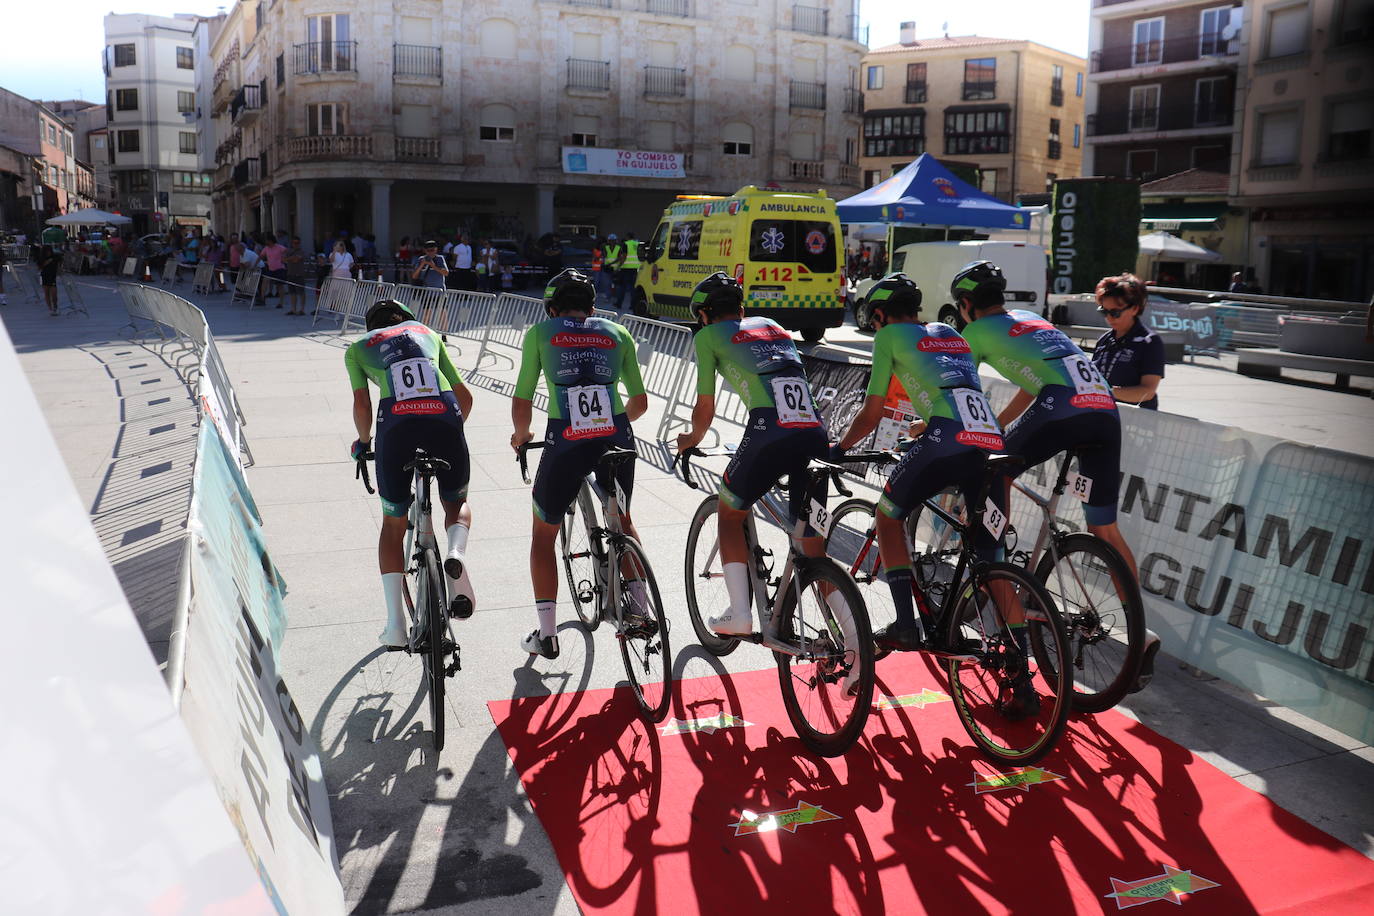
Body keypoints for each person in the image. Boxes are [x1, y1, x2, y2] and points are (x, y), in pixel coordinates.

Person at [673, 273, 863, 691]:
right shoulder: (774, 327)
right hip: (814, 432)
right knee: (812, 546)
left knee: (729, 510)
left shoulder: (707, 337)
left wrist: (690, 440)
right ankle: (856, 649)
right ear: (740, 309)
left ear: (704, 315)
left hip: (768, 431)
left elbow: (705, 407)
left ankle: (739, 612)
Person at [829, 274, 1006, 654]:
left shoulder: (888, 337)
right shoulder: (950, 332)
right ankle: (1018, 657)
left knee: (888, 515)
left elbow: (872, 412)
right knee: (989, 551)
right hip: (985, 439)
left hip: (946, 438)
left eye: (873, 319)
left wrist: (840, 446)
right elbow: (956, 392)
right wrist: (925, 423)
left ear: (878, 314)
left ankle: (906, 626)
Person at [952, 260, 1138, 579]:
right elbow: (1031, 383)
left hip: (1064, 404)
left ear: (966, 304)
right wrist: (999, 422)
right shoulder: (1031, 318)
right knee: (1102, 528)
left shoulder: (973, 331)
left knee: (995, 470)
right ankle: (1138, 625)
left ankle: (996, 573)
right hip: (1104, 406)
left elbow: (960, 394)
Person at [510, 268, 649, 659]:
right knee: (621, 518)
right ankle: (640, 608)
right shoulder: (618, 333)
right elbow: (639, 403)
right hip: (617, 436)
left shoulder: (541, 332)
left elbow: (522, 400)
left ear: (551, 308)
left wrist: (521, 436)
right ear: (592, 306)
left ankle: (548, 633)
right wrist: (610, 425)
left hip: (566, 440)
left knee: (543, 536)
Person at [346, 298, 477, 646]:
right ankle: (456, 554)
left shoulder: (358, 348)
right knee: (456, 501)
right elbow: (464, 395)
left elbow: (363, 404)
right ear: (406, 319)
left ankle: (395, 625)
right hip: (445, 415)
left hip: (397, 426)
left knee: (393, 524)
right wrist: (453, 429)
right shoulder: (428, 333)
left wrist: (363, 443)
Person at [1092, 273, 1164, 410]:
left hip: (1137, 423)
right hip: (1105, 416)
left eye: (1115, 313)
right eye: (1104, 312)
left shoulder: (1150, 342)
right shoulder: (1104, 340)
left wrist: (1106, 393)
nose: (1109, 318)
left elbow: (1148, 392)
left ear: (1135, 308)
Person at [615, 231, 640, 312]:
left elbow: (624, 256)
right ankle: (633, 305)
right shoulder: (637, 244)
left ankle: (619, 303)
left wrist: (619, 266)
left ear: (628, 237)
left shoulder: (626, 244)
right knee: (633, 288)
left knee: (622, 287)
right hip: (635, 268)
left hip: (626, 268)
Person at [260, 234, 287, 306]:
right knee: (265, 280)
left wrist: (284, 257)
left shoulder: (279, 247)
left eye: (266, 240)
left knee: (279, 285)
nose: (265, 241)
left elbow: (286, 250)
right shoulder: (266, 248)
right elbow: (261, 256)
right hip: (270, 269)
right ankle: (262, 298)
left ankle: (281, 302)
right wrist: (255, 264)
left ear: (270, 240)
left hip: (280, 268)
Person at [284, 236, 308, 315]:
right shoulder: (289, 251)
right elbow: (283, 259)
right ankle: (293, 309)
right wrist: (291, 258)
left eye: (297, 243)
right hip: (290, 273)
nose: (296, 244)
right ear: (292, 243)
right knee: (292, 292)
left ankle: (302, 309)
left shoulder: (302, 251)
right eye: (294, 243)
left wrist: (289, 258)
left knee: (301, 292)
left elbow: (296, 260)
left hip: (299, 274)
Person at [37, 244, 61, 315]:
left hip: (52, 277)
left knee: (54, 293)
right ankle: (50, 308)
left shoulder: (55, 257)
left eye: (49, 251)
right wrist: (47, 262)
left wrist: (59, 272)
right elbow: (39, 267)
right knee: (46, 293)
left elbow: (59, 265)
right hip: (44, 276)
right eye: (47, 251)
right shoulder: (41, 258)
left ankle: (55, 307)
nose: (48, 253)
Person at [602, 234, 622, 308]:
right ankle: (608, 297)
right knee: (608, 283)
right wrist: (604, 263)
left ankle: (615, 297)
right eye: (610, 241)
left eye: (613, 241)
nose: (612, 242)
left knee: (616, 284)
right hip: (608, 268)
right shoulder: (606, 247)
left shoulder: (618, 248)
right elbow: (604, 256)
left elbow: (619, 258)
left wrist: (611, 264)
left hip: (615, 268)